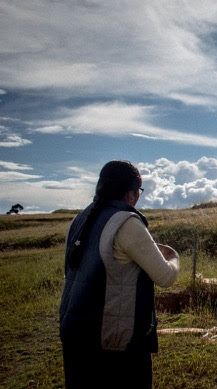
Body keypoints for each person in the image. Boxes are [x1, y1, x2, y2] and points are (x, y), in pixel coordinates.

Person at [59, 160, 180, 389]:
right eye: (139, 192)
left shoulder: (79, 220)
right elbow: (165, 277)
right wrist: (173, 257)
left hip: (75, 335)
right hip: (113, 342)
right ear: (132, 194)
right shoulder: (126, 222)